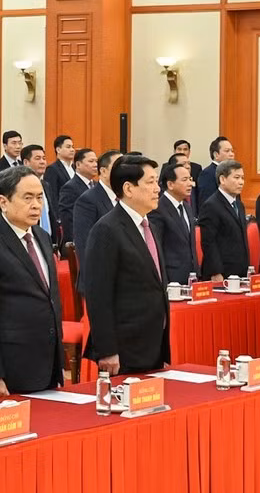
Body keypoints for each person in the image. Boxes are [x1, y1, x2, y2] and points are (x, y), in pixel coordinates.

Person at [0, 165, 63, 396]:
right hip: (10, 366)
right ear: (4, 201)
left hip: (47, 361)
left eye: (39, 197)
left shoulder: (42, 237)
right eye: (27, 198)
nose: (36, 205)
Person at [83, 155, 171, 375]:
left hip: (152, 342)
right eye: (150, 182)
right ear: (129, 189)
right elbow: (98, 295)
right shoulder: (107, 230)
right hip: (124, 348)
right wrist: (107, 350)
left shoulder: (150, 226)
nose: (157, 189)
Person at [149, 156, 200, 285]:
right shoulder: (157, 208)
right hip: (171, 279)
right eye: (184, 180)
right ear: (170, 184)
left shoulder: (187, 207)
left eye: (190, 179)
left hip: (191, 277)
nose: (190, 184)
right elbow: (156, 247)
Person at [197, 159, 250, 280]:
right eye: (236, 177)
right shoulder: (211, 205)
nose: (241, 182)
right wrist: (216, 272)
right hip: (221, 272)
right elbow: (208, 242)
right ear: (222, 179)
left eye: (242, 178)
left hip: (240, 270)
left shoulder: (239, 204)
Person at [72, 150, 118, 252]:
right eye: (118, 167)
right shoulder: (87, 201)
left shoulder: (126, 198)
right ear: (103, 171)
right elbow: (85, 246)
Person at [57, 148, 97, 243]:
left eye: (96, 161)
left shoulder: (96, 185)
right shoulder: (70, 188)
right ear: (78, 164)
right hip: (81, 242)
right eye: (91, 161)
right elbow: (68, 219)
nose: (95, 165)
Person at [196, 137, 234, 203]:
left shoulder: (232, 172)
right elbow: (207, 202)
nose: (231, 154)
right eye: (227, 151)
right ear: (216, 155)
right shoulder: (207, 173)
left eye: (232, 151)